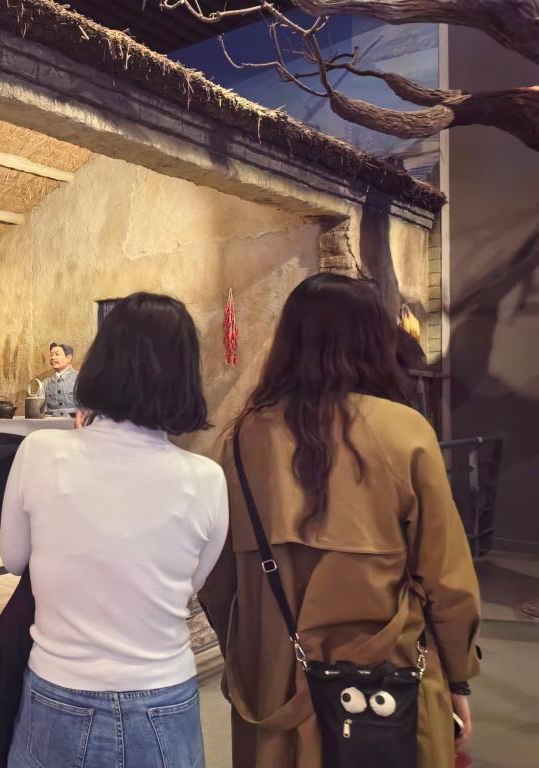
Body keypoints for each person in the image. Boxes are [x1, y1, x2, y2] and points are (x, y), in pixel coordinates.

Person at [198, 273, 481, 768]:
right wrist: (459, 677)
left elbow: (219, 582)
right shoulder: (406, 434)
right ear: (374, 342)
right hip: (388, 686)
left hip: (276, 691)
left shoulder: (239, 441)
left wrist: (254, 652)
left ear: (288, 343)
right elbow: (447, 578)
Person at [0, 293, 228, 768]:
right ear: (185, 375)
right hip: (165, 696)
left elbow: (13, 559)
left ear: (101, 362)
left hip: (59, 690)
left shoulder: (42, 452)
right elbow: (191, 583)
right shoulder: (207, 478)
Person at [42, 341, 77, 416]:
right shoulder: (45, 383)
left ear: (68, 358)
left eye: (57, 354)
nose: (53, 358)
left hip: (75, 421)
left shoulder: (80, 379)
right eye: (51, 355)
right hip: (51, 422)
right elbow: (42, 411)